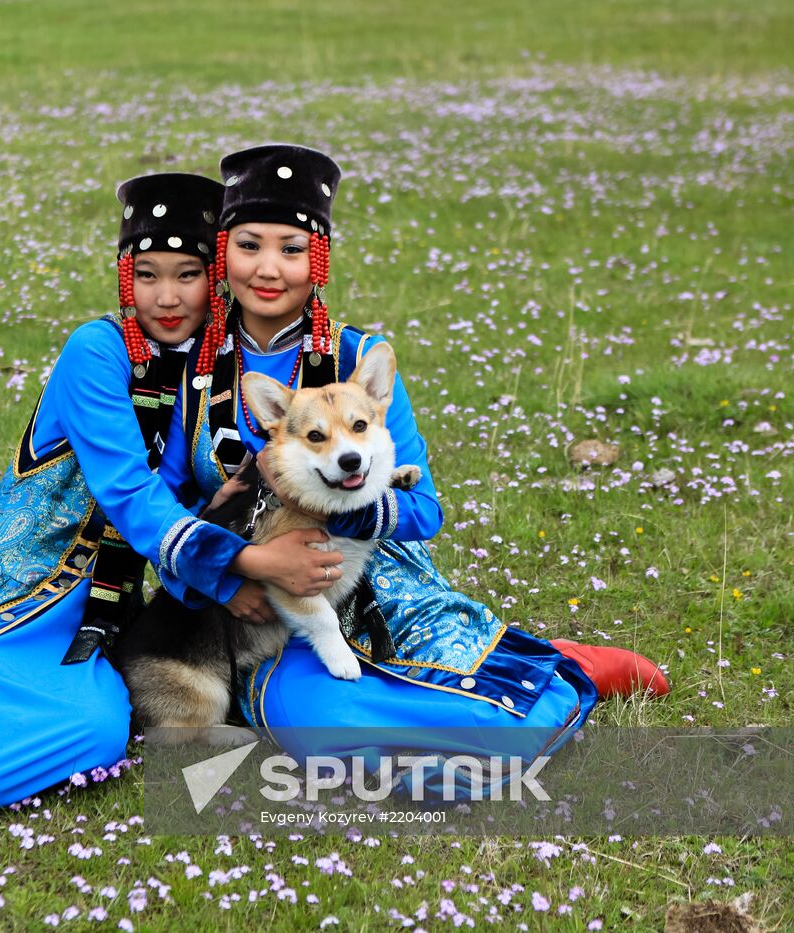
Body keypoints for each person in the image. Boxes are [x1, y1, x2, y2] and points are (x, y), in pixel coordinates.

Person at [0, 173, 338, 823]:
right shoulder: (97, 351)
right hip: (1, 594)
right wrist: (241, 565)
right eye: (148, 274)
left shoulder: (210, 371)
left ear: (215, 279)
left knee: (100, 732)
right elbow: (130, 492)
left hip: (96, 622)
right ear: (125, 275)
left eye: (187, 274)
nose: (166, 296)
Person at [157, 145, 667, 789]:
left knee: (438, 709)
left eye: (291, 248)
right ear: (222, 252)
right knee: (318, 729)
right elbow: (168, 512)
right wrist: (237, 569)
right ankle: (474, 711)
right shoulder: (192, 374)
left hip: (382, 585)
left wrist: (333, 500)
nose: (268, 268)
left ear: (317, 257)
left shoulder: (358, 355)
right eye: (249, 246)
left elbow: (426, 510)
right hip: (263, 610)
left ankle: (563, 669)